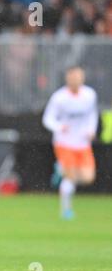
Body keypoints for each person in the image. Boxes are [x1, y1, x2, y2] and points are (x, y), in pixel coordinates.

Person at [42, 66, 98, 220]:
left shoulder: (90, 95)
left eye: (79, 76)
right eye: (73, 77)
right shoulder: (59, 98)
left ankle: (61, 171)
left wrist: (91, 130)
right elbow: (47, 119)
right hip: (64, 143)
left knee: (88, 177)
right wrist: (60, 127)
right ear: (68, 79)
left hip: (82, 143)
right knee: (71, 177)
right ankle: (66, 211)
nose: (76, 80)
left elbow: (91, 115)